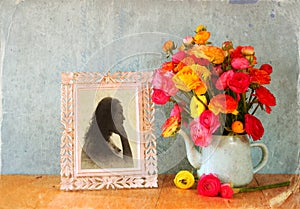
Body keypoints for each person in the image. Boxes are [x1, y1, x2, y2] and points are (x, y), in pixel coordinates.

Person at [81, 97, 134, 169]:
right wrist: (124, 137)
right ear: (109, 116)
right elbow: (128, 167)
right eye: (120, 113)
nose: (123, 118)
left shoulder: (105, 141)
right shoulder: (95, 146)